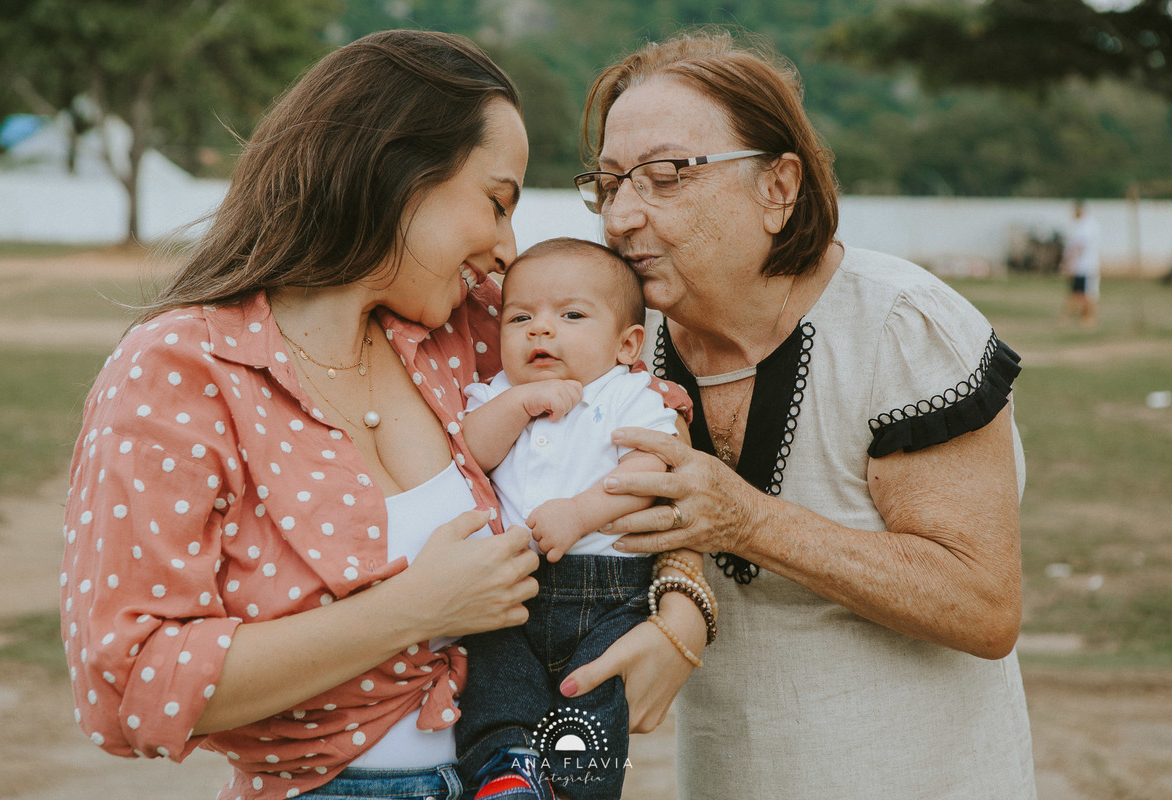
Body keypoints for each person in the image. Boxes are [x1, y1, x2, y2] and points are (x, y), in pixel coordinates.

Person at [58, 30, 702, 800]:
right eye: (497, 202)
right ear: (399, 172)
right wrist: (412, 610)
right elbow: (130, 683)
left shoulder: (471, 330)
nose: (508, 247)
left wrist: (686, 604)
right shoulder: (181, 369)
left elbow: (648, 424)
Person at [571, 30, 1036, 799]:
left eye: (664, 176)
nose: (621, 215)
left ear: (778, 187)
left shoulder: (899, 327)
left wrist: (748, 521)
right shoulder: (623, 342)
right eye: (610, 182)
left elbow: (984, 606)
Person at [453, 238, 701, 799]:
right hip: (511, 588)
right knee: (494, 682)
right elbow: (472, 450)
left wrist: (581, 513)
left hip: (608, 591)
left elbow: (653, 467)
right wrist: (520, 404)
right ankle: (506, 772)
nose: (541, 330)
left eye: (570, 315)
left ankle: (577, 788)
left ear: (626, 343)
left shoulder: (627, 394)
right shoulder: (495, 393)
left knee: (593, 697)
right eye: (520, 317)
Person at [1059, 200, 1101, 329]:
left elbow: (1079, 247)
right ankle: (1086, 318)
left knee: (1081, 293)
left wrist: (1069, 263)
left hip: (1084, 266)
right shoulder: (1088, 225)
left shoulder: (1084, 226)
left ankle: (1081, 318)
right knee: (1085, 293)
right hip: (1085, 266)